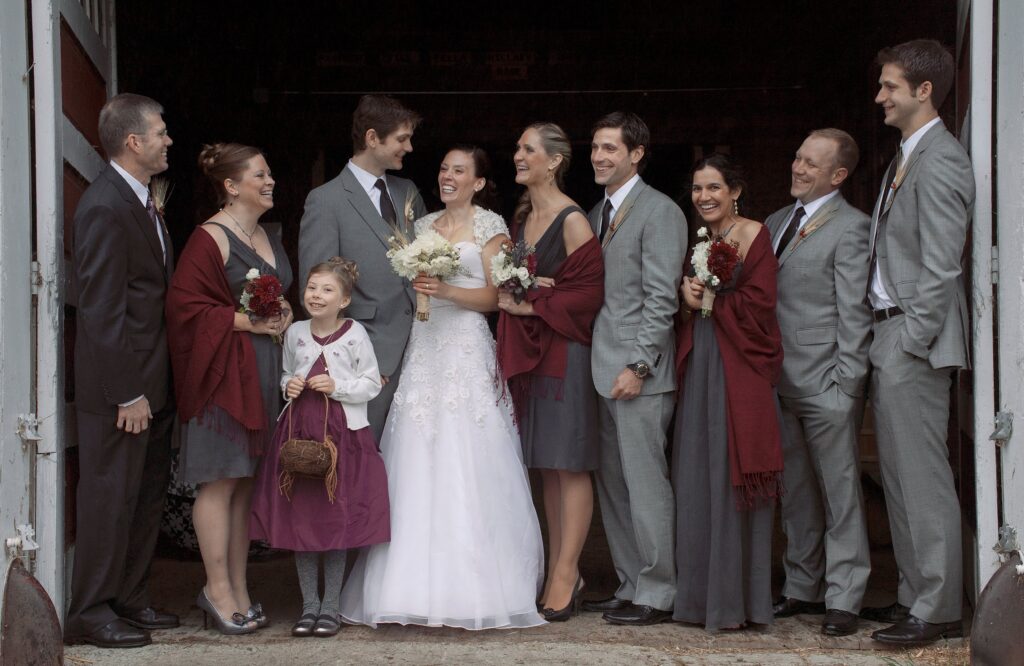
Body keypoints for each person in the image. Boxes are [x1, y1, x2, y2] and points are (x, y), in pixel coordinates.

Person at [340, 146, 545, 630]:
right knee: (413, 455)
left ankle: (475, 588)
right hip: (424, 345)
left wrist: (447, 291)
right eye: (443, 168)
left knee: (469, 453)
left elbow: (499, 297)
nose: (447, 176)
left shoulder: (489, 226)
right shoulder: (423, 224)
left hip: (467, 347)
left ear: (477, 182)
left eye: (459, 171)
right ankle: (405, 586)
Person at [860, 39, 974, 647]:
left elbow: (941, 264)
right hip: (890, 329)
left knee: (922, 476)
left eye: (889, 86)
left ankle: (937, 607)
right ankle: (914, 596)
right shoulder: (909, 154)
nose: (880, 96)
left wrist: (912, 338)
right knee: (899, 475)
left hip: (912, 336)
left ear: (923, 90)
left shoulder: (941, 158)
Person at [64, 93, 178, 648]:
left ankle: (131, 599)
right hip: (121, 390)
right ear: (134, 142)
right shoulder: (105, 206)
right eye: (160, 132)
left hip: (153, 382)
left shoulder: (140, 200)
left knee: (143, 495)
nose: (167, 140)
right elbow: (102, 311)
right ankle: (90, 609)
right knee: (109, 497)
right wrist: (128, 393)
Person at [165, 143, 294, 635]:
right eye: (260, 175)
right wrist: (248, 322)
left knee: (244, 483)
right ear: (231, 185)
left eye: (270, 173)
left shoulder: (264, 233)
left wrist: (283, 314)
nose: (270, 181)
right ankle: (216, 590)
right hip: (221, 375)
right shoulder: (209, 238)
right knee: (219, 481)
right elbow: (184, 310)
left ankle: (239, 588)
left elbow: (276, 297)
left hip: (262, 374)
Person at [766, 129, 873, 637]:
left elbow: (854, 311)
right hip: (780, 382)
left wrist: (847, 385)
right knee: (797, 493)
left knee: (840, 493)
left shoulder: (853, 227)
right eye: (797, 156)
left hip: (827, 383)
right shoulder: (775, 222)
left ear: (838, 175)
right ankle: (802, 586)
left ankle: (845, 596)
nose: (798, 167)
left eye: (812, 163)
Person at [496, 124, 605, 621]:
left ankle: (566, 571)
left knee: (569, 462)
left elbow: (589, 296)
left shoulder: (572, 219)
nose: (518, 155)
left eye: (527, 149)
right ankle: (563, 569)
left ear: (554, 161)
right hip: (533, 354)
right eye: (519, 148)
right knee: (545, 463)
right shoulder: (523, 220)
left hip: (566, 352)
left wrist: (532, 303)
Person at [250, 258, 389, 639]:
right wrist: (289, 386)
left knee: (335, 517)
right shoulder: (295, 332)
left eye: (327, 290)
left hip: (342, 434)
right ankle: (309, 605)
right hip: (300, 433)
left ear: (344, 299)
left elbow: (371, 382)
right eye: (312, 287)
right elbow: (285, 373)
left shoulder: (354, 334)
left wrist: (338, 387)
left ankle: (331, 607)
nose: (317, 295)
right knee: (303, 518)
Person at [584, 112, 685, 626]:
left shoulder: (660, 211)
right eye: (596, 147)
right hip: (599, 369)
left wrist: (640, 365)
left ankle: (660, 591)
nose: (600, 156)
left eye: (610, 148)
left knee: (646, 484)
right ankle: (630, 582)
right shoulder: (597, 212)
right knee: (614, 485)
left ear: (636, 153)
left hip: (637, 374)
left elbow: (661, 297)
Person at [675, 153, 784, 631]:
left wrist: (714, 299)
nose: (704, 197)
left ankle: (740, 603)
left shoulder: (754, 234)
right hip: (702, 356)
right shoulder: (704, 238)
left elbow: (761, 303)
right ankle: (699, 601)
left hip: (739, 364)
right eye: (698, 189)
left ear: (735, 191)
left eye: (714, 188)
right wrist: (688, 294)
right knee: (699, 471)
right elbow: (694, 302)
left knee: (731, 471)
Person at [298, 94, 427, 440]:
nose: (409, 147)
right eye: (402, 138)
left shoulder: (408, 191)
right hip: (366, 354)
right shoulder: (326, 200)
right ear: (372, 138)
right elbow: (317, 292)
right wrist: (354, 361)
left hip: (421, 349)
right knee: (358, 457)